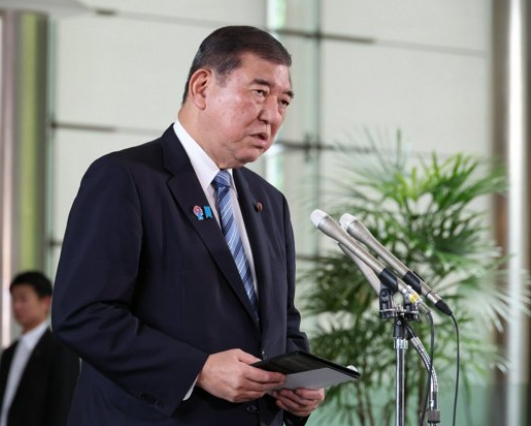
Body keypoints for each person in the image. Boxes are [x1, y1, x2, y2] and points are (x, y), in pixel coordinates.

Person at [51, 25, 325, 426]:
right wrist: (198, 370)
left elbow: (282, 325)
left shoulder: (269, 202)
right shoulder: (125, 178)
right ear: (202, 87)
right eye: (259, 92)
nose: (272, 115)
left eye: (283, 101)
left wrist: (297, 383)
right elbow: (83, 315)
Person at [0, 271, 79, 426]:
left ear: (45, 302)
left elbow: (62, 408)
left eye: (23, 299)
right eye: (14, 299)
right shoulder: (9, 353)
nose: (16, 306)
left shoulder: (61, 351)